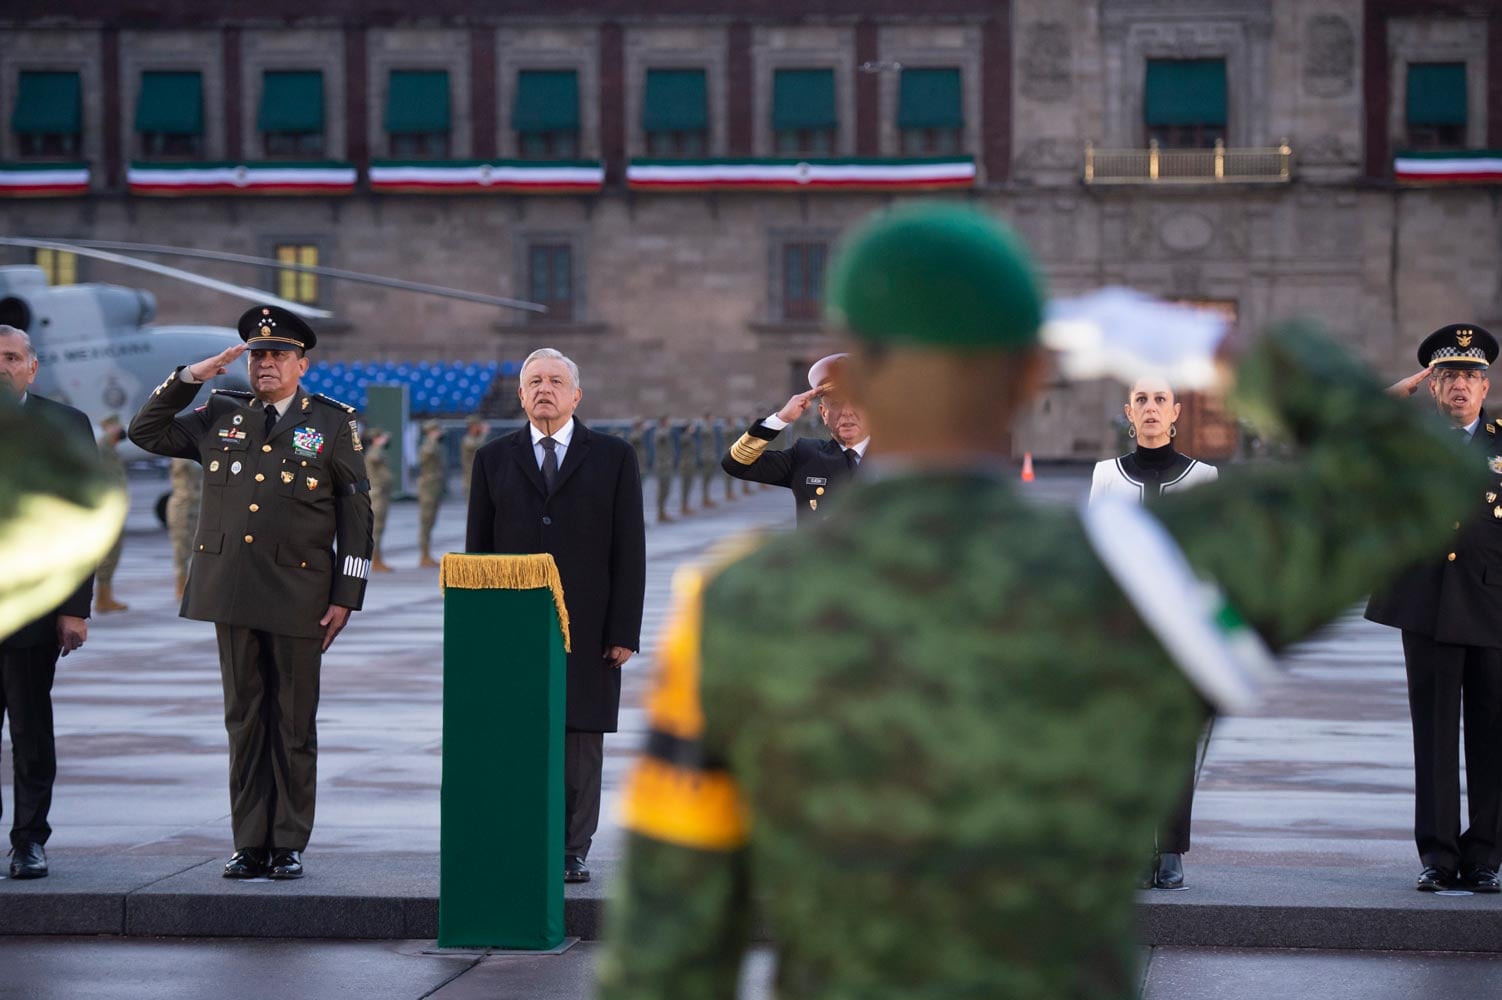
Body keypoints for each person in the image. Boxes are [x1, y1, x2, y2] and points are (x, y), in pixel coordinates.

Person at [600, 206, 1482, 999]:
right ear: (1030, 378)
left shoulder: (740, 607)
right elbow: (1418, 476)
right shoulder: (1129, 581)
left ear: (858, 379)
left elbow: (669, 937)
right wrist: (1199, 345)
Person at [128, 305, 372, 881]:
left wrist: (347, 593)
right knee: (243, 721)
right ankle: (249, 843)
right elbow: (145, 432)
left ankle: (286, 842)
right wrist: (194, 375)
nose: (266, 363)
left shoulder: (332, 424)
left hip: (300, 592)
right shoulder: (221, 413)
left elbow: (356, 512)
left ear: (300, 365)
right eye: (258, 354)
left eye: (278, 355)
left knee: (292, 723)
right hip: (231, 590)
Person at [466, 348, 645, 884]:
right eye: (534, 381)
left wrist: (623, 631)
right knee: (518, 737)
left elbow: (629, 550)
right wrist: (482, 631)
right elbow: (478, 554)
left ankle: (572, 849)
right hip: (515, 626)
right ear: (521, 396)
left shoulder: (614, 457)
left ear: (576, 395)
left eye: (555, 380)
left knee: (580, 742)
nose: (545, 389)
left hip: (590, 625)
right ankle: (526, 837)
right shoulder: (492, 459)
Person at [1366, 323, 1502, 893]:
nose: (1461, 386)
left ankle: (1486, 858)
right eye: (1449, 376)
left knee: (1493, 737)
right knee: (1435, 735)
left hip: (1493, 603)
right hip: (1426, 603)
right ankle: (1439, 857)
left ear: (1486, 386)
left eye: (1472, 376)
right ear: (1434, 384)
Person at [1090, 375, 1218, 891]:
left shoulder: (1203, 475)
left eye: (1159, 400)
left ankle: (1169, 849)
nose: (1150, 408)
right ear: (1129, 411)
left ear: (1175, 413)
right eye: (1141, 400)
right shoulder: (1106, 475)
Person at [0, 324, 95, 880]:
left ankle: (29, 842)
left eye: (12, 358)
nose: (3, 366)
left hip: (33, 611)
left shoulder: (64, 425)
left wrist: (75, 607)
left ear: (32, 368)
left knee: (30, 734)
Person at [721, 355, 869, 524]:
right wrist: (781, 419)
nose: (846, 412)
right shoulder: (806, 456)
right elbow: (735, 464)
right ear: (823, 414)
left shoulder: (898, 459)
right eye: (835, 405)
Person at [93, 414, 129, 613]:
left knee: (113, 554)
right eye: (116, 426)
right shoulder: (104, 448)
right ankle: (102, 599)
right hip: (107, 513)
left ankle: (106, 597)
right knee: (107, 555)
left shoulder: (111, 451)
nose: (120, 429)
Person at [167, 457, 202, 598]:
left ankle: (192, 586)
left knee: (197, 547)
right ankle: (180, 587)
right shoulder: (180, 456)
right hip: (182, 505)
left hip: (197, 504)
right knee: (181, 548)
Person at [417, 420, 446, 569]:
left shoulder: (435, 446)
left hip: (435, 488)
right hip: (428, 489)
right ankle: (424, 555)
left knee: (431, 522)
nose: (440, 433)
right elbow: (425, 456)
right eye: (436, 430)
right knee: (426, 523)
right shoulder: (427, 446)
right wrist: (432, 439)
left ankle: (427, 554)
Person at [365, 426, 394, 572]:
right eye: (383, 437)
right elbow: (374, 458)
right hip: (377, 495)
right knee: (376, 529)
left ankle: (378, 558)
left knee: (379, 528)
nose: (386, 440)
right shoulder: (374, 452)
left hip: (382, 494)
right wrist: (378, 446)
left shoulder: (378, 452)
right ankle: (376, 560)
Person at [650, 416, 677, 524]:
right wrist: (667, 428)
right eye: (667, 421)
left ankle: (663, 512)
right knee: (661, 490)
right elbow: (662, 436)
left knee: (666, 490)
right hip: (661, 466)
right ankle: (660, 512)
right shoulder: (659, 432)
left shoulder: (666, 433)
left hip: (667, 465)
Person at [460, 414, 487, 500]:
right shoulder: (467, 440)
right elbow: (479, 446)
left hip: (479, 478)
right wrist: (484, 433)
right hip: (471, 480)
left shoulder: (475, 438)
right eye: (478, 425)